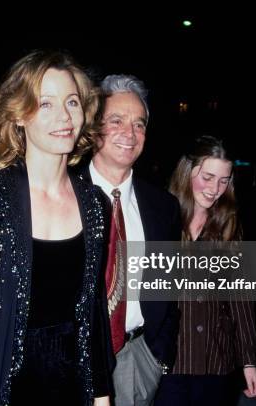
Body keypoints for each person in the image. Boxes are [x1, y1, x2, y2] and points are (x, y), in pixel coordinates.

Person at [0, 50, 114, 406]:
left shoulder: (95, 205)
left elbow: (93, 312)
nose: (65, 116)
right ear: (19, 115)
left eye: (72, 102)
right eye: (46, 104)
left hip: (69, 388)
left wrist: (102, 394)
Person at [79, 74, 181, 405]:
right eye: (117, 120)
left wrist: (159, 355)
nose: (130, 133)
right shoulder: (63, 195)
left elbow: (169, 286)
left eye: (139, 124)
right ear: (94, 129)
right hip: (76, 360)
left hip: (140, 355)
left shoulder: (163, 206)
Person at [155, 135, 256, 406]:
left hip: (217, 361)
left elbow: (241, 297)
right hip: (170, 361)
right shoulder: (161, 216)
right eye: (208, 177)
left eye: (224, 180)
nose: (215, 188)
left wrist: (248, 360)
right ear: (188, 172)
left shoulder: (228, 225)